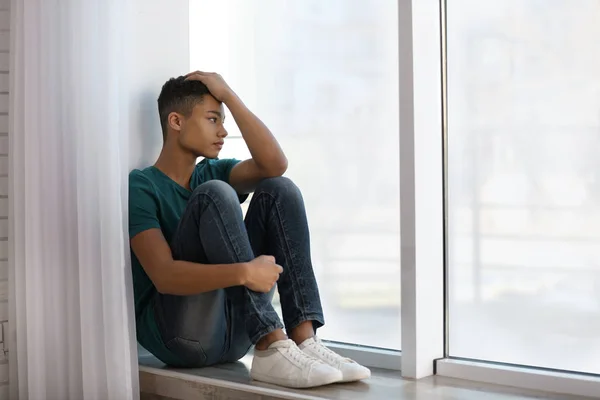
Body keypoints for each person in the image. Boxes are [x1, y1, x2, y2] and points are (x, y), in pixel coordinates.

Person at [128, 71, 371, 389]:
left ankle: (302, 340)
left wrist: (227, 94)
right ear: (176, 121)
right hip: (180, 337)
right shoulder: (143, 185)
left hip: (233, 333)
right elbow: (164, 275)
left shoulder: (213, 170)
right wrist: (243, 273)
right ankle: (271, 340)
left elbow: (275, 165)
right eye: (213, 119)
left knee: (279, 189)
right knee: (215, 194)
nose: (224, 131)